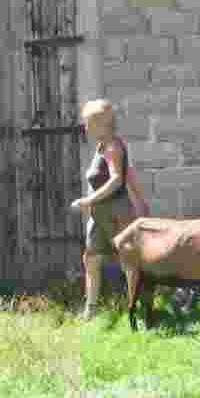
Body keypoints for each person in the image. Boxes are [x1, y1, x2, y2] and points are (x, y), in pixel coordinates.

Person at [71, 99, 134, 320]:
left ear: (101, 124)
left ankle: (136, 307)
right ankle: (90, 310)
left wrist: (89, 200)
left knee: (128, 261)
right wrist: (92, 204)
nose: (86, 128)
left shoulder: (113, 146)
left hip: (116, 213)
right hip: (100, 215)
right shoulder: (102, 146)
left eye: (88, 123)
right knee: (91, 259)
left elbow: (117, 180)